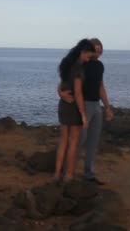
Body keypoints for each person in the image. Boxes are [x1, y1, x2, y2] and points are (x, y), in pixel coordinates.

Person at [59, 38, 113, 185]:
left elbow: (101, 86)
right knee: (78, 140)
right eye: (96, 48)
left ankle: (89, 174)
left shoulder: (100, 66)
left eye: (101, 49)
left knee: (93, 142)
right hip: (84, 104)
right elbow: (65, 81)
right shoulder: (82, 64)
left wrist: (107, 107)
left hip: (96, 105)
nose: (99, 51)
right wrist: (61, 93)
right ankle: (67, 172)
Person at [54, 39, 97, 183]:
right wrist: (83, 114)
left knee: (63, 141)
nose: (88, 59)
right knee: (73, 142)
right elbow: (78, 93)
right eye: (88, 56)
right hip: (73, 107)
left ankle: (57, 174)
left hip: (63, 104)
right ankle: (69, 175)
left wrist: (60, 93)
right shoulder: (78, 68)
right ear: (82, 52)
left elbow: (61, 84)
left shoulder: (66, 64)